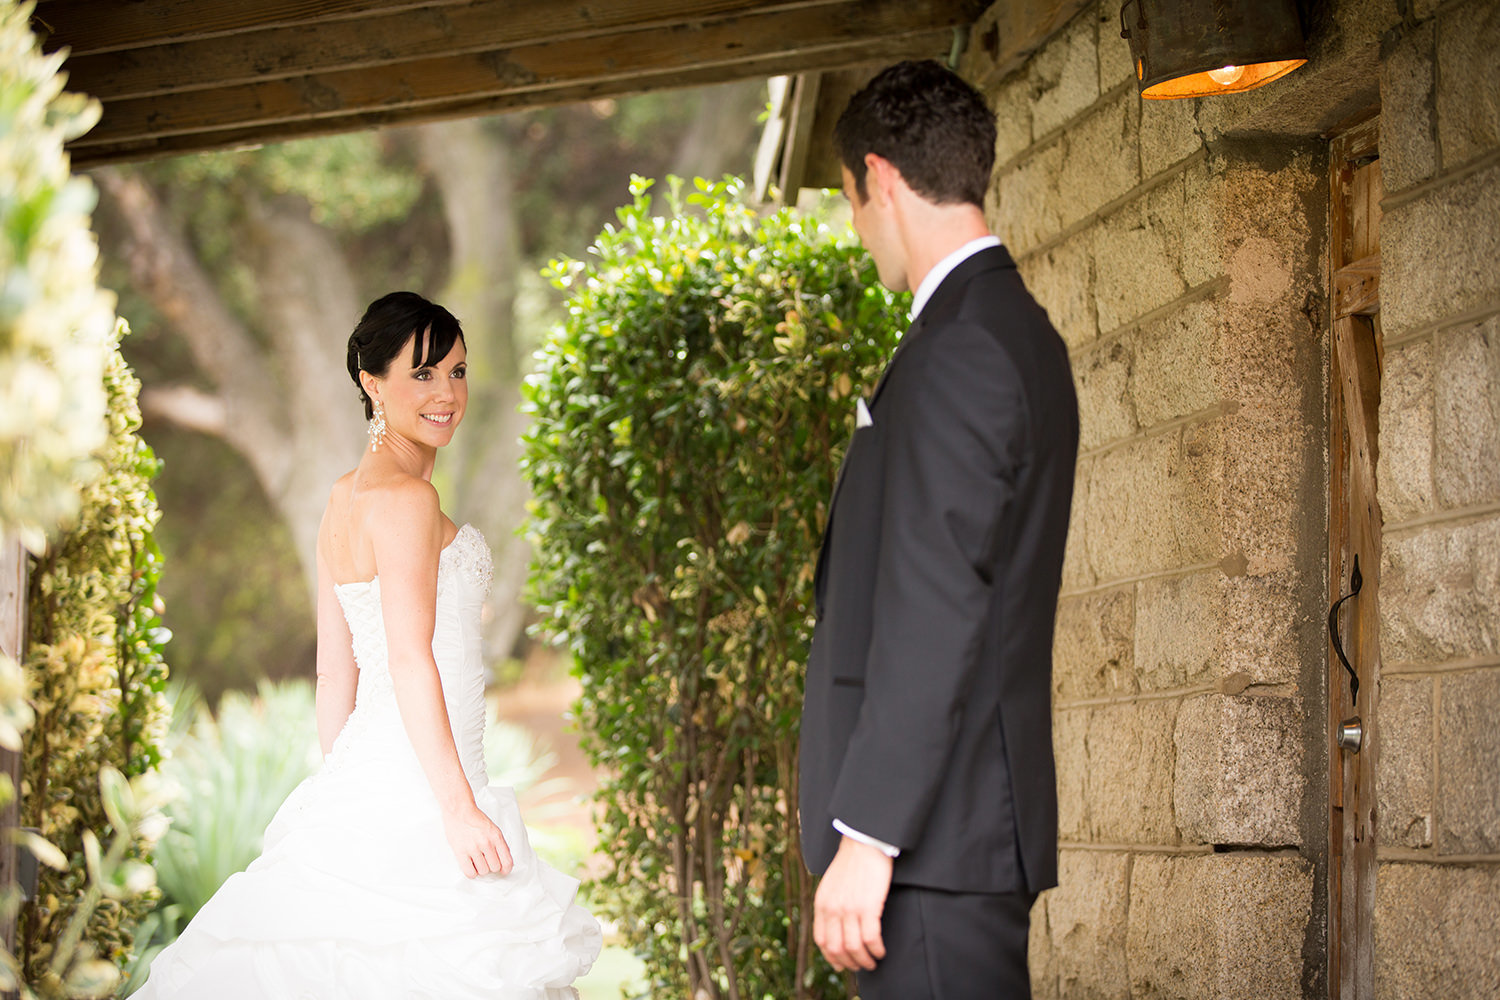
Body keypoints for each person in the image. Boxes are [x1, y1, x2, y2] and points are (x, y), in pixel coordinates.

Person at [137, 292, 601, 999]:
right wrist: (456, 808)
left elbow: (333, 673)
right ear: (371, 381)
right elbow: (409, 658)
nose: (448, 393)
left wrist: (339, 790)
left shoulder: (341, 498)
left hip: (371, 777)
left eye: (457, 371)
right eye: (423, 374)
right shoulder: (407, 502)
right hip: (425, 789)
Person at [797, 60, 1079, 999]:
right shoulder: (1004, 331)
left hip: (932, 847)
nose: (856, 226)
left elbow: (938, 605)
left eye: (850, 200)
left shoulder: (963, 348)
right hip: (953, 841)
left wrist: (870, 838)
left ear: (878, 180)